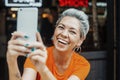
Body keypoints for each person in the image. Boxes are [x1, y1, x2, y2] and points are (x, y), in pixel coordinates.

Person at [6, 8, 90, 80]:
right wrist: (12, 61)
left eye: (72, 32)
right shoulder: (37, 55)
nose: (64, 34)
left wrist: (42, 69)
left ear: (80, 40)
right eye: (61, 27)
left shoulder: (82, 64)